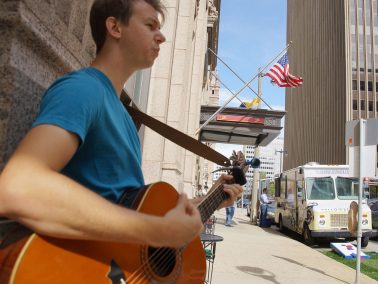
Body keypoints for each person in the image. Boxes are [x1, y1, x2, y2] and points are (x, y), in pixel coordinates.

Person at [0, 0, 242, 249]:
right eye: (150, 25)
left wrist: (208, 201)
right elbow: (18, 188)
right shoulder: (83, 89)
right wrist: (156, 230)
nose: (161, 37)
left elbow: (125, 207)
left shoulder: (125, 117)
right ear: (115, 27)